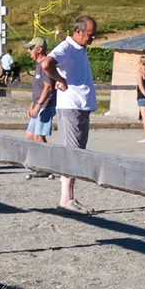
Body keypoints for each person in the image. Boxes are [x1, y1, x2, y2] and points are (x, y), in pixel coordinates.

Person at [40, 14, 98, 214]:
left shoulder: (79, 49)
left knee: (77, 152)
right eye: (90, 34)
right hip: (70, 106)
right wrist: (59, 79)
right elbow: (46, 64)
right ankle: (66, 199)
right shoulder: (65, 48)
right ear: (78, 31)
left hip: (81, 106)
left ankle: (69, 197)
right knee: (71, 152)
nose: (93, 38)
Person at [24, 37, 54, 144]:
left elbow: (48, 87)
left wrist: (38, 106)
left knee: (38, 138)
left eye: (31, 48)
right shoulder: (38, 64)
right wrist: (32, 105)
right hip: (38, 105)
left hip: (45, 106)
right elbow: (39, 88)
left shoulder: (45, 64)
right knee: (30, 136)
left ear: (39, 49)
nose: (29, 51)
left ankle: (47, 159)